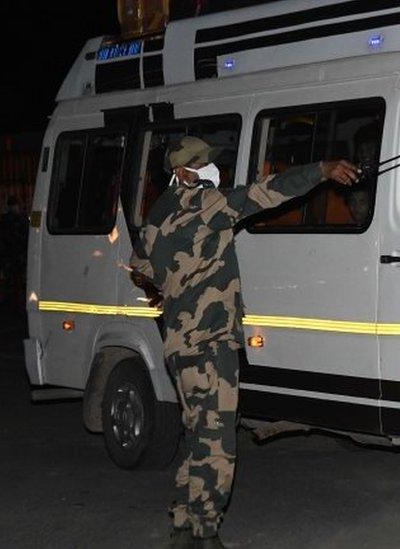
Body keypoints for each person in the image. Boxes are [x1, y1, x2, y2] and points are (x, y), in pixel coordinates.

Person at [129, 136, 360, 549]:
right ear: (183, 172)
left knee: (198, 432)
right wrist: (321, 171)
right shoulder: (204, 203)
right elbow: (264, 193)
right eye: (202, 166)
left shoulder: (158, 211)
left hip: (179, 345)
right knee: (218, 440)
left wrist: (172, 283)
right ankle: (205, 530)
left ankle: (183, 524)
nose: (211, 172)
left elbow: (141, 265)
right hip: (211, 342)